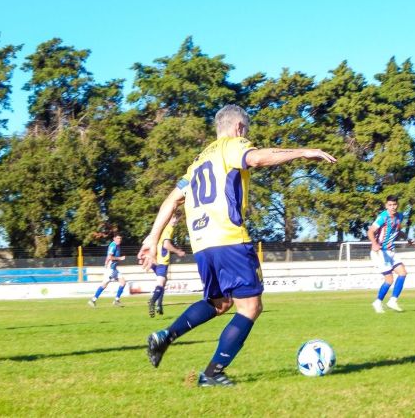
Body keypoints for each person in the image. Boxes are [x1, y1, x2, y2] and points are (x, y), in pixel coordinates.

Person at [138, 104, 336, 387]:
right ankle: (213, 373)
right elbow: (255, 159)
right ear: (239, 128)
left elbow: (171, 200)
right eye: (247, 131)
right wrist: (303, 151)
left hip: (203, 246)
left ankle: (165, 336)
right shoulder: (231, 145)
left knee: (220, 304)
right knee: (250, 307)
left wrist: (152, 238)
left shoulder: (196, 163)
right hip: (229, 238)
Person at [368, 195, 410, 313]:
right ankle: (377, 302)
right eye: (390, 205)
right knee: (389, 280)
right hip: (380, 252)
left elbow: (398, 230)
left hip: (391, 250)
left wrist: (408, 238)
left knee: (403, 273)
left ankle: (392, 301)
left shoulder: (399, 216)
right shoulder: (383, 217)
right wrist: (375, 243)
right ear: (386, 205)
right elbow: (370, 231)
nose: (393, 207)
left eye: (394, 204)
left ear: (397, 205)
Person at [147, 215, 185, 317]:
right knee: (161, 282)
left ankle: (159, 304)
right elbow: (166, 245)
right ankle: (153, 301)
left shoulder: (162, 227)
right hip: (161, 260)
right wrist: (178, 251)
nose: (176, 221)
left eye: (177, 219)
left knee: (163, 281)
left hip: (157, 259)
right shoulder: (169, 228)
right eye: (176, 219)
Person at [88, 234, 126, 307]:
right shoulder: (113, 245)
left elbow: (108, 257)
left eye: (120, 238)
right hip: (110, 269)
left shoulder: (117, 246)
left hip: (114, 268)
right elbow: (110, 256)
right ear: (114, 238)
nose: (119, 240)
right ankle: (93, 300)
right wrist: (120, 258)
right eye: (118, 238)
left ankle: (116, 300)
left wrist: (106, 262)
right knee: (104, 284)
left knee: (123, 282)